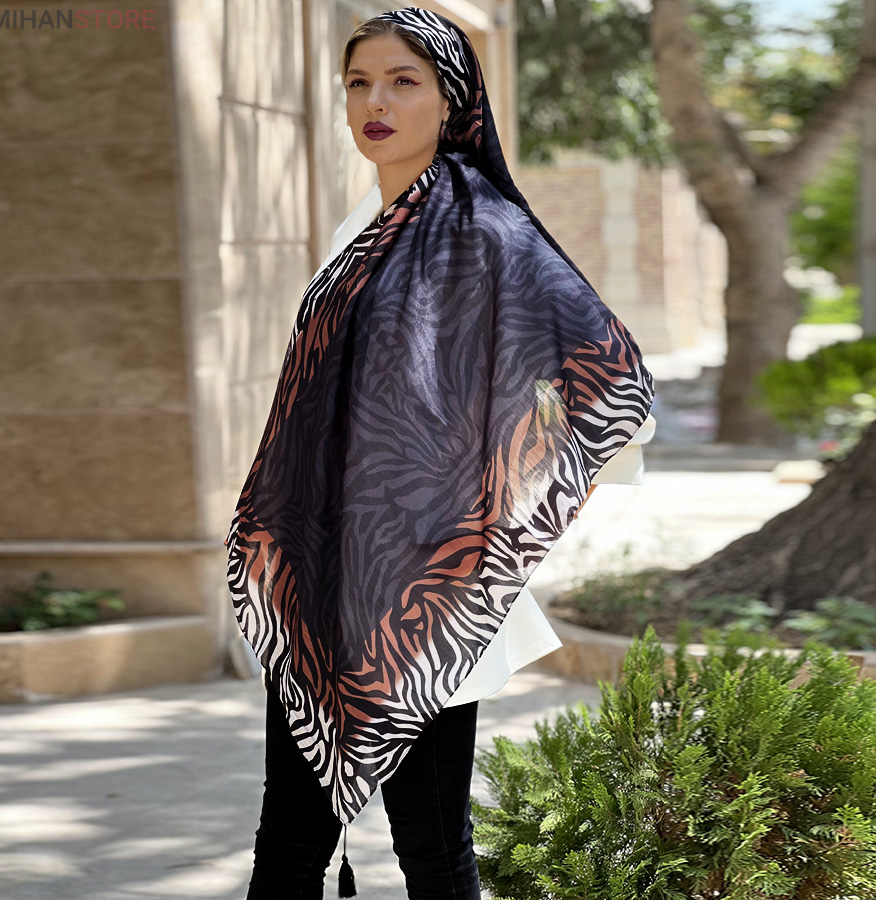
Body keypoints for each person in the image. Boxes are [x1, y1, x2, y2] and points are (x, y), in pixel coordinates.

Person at [224, 7, 656, 899]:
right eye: (358, 83)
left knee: (430, 848)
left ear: (452, 99)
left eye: (402, 81)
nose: (374, 103)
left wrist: (501, 509)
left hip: (428, 593)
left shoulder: (485, 230)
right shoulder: (359, 229)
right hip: (323, 580)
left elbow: (610, 383)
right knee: (290, 845)